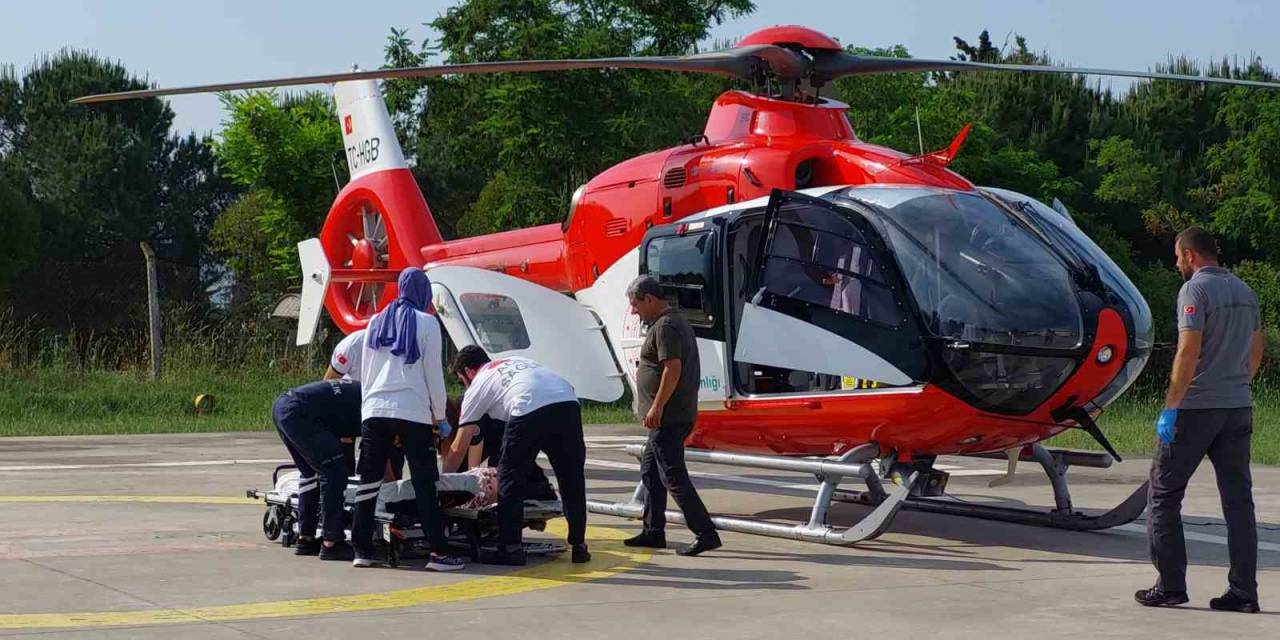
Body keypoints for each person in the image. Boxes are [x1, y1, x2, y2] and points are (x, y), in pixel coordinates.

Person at [1136, 227, 1264, 613]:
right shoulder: (1246, 292)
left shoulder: (1194, 290)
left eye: (1177, 255)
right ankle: (1243, 592)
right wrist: (1236, 385)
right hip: (1237, 407)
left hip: (1196, 409)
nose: (1176, 263)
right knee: (1239, 503)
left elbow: (1188, 351)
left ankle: (1171, 585)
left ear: (1190, 255)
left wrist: (1171, 406)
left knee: (1163, 495)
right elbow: (1256, 350)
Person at [350, 267, 464, 572]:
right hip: (411, 411)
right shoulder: (427, 323)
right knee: (425, 482)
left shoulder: (375, 322)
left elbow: (367, 373)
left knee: (368, 482)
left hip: (374, 409)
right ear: (423, 293)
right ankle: (438, 553)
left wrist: (366, 413)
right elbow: (433, 376)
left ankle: (362, 549)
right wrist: (439, 417)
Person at [450, 345, 591, 565]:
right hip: (567, 402)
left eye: (461, 380)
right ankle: (579, 545)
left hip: (529, 405)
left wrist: (442, 484)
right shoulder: (513, 362)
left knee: (509, 477)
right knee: (571, 476)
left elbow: (459, 447)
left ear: (468, 372)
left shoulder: (478, 383)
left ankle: (511, 548)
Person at [623, 275, 721, 556]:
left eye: (636, 304)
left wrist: (657, 407)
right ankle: (653, 531)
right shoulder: (669, 322)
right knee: (650, 472)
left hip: (669, 417)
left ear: (650, 299)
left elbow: (672, 368)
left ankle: (705, 532)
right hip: (668, 416)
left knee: (672, 475)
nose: (634, 310)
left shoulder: (666, 326)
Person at [269, 377, 360, 561]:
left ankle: (306, 538)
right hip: (299, 412)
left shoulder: (360, 393)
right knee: (334, 471)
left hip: (282, 406)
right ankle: (331, 543)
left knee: (310, 472)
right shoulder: (375, 411)